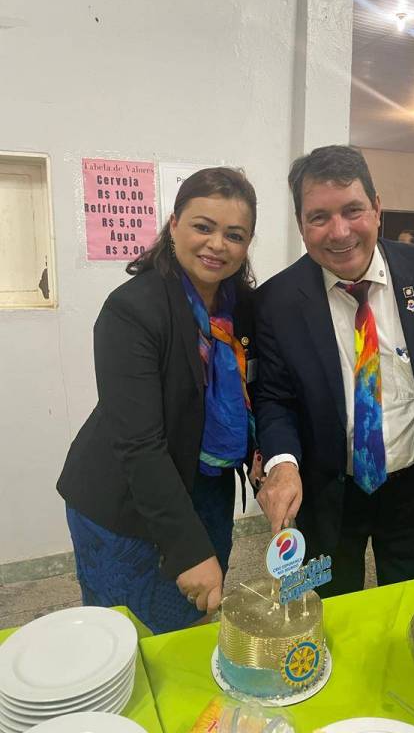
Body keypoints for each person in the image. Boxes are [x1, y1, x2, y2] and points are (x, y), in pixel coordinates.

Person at [254, 145, 414, 596]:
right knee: (332, 607)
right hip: (327, 489)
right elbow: (274, 397)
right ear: (300, 223)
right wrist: (282, 464)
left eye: (352, 210)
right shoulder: (277, 301)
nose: (339, 232)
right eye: (319, 217)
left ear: (377, 208)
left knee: (411, 601)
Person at [57, 167, 262, 633]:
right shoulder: (133, 309)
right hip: (126, 501)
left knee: (195, 621)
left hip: (206, 489)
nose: (217, 244)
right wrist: (187, 548)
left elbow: (255, 396)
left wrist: (265, 458)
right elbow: (138, 444)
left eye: (234, 235)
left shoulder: (243, 308)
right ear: (174, 225)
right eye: (203, 227)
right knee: (124, 634)